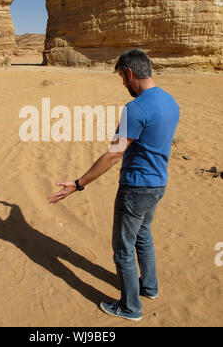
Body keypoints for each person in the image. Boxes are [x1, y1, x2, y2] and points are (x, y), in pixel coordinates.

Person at [48, 49, 180, 322]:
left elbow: (114, 153)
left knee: (122, 249)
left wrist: (79, 183)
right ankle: (150, 287)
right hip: (158, 185)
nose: (123, 83)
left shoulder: (137, 108)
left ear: (130, 73)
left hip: (136, 188)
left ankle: (130, 307)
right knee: (143, 236)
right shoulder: (170, 102)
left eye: (121, 77)